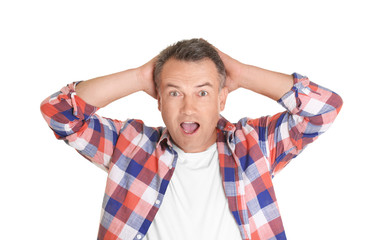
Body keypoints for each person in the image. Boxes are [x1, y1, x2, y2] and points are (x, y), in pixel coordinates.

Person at [40, 38, 343, 240]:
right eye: (174, 93)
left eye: (203, 92)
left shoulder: (255, 144)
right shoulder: (129, 146)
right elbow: (59, 113)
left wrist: (243, 73)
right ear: (158, 99)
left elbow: (323, 110)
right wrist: (137, 77)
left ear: (222, 99)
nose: (188, 107)